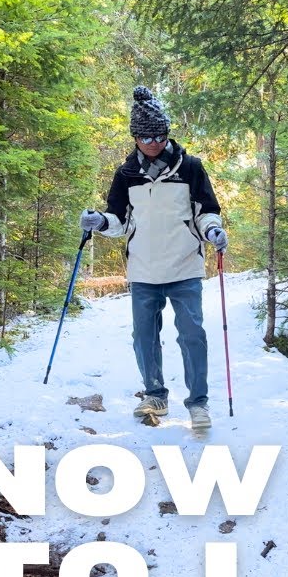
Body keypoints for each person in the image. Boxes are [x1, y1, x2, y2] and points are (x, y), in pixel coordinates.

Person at [78, 86, 228, 429]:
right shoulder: (126, 174)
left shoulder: (190, 167)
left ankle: (198, 404)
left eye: (160, 135)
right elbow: (118, 220)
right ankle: (155, 395)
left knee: (192, 335)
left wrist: (213, 231)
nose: (153, 142)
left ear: (167, 133)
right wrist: (99, 221)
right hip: (143, 270)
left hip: (185, 266)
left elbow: (206, 211)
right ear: (135, 136)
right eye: (146, 136)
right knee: (143, 336)